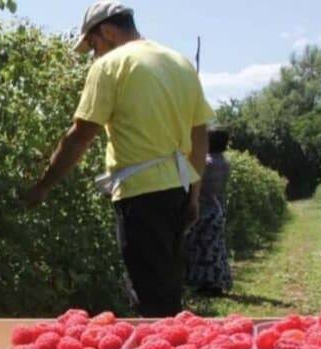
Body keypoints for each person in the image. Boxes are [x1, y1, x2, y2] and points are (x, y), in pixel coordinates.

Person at [24, 1, 214, 317]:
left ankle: (159, 348)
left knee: (149, 298)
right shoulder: (179, 63)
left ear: (109, 32)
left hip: (141, 195)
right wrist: (193, 195)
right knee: (168, 289)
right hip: (178, 191)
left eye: (94, 45)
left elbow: (80, 136)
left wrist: (43, 186)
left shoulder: (112, 64)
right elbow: (199, 136)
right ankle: (174, 343)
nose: (94, 55)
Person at [186, 128, 233, 295]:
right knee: (215, 248)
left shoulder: (206, 163)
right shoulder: (224, 162)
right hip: (218, 208)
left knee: (201, 248)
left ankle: (205, 284)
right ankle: (217, 283)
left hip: (204, 209)